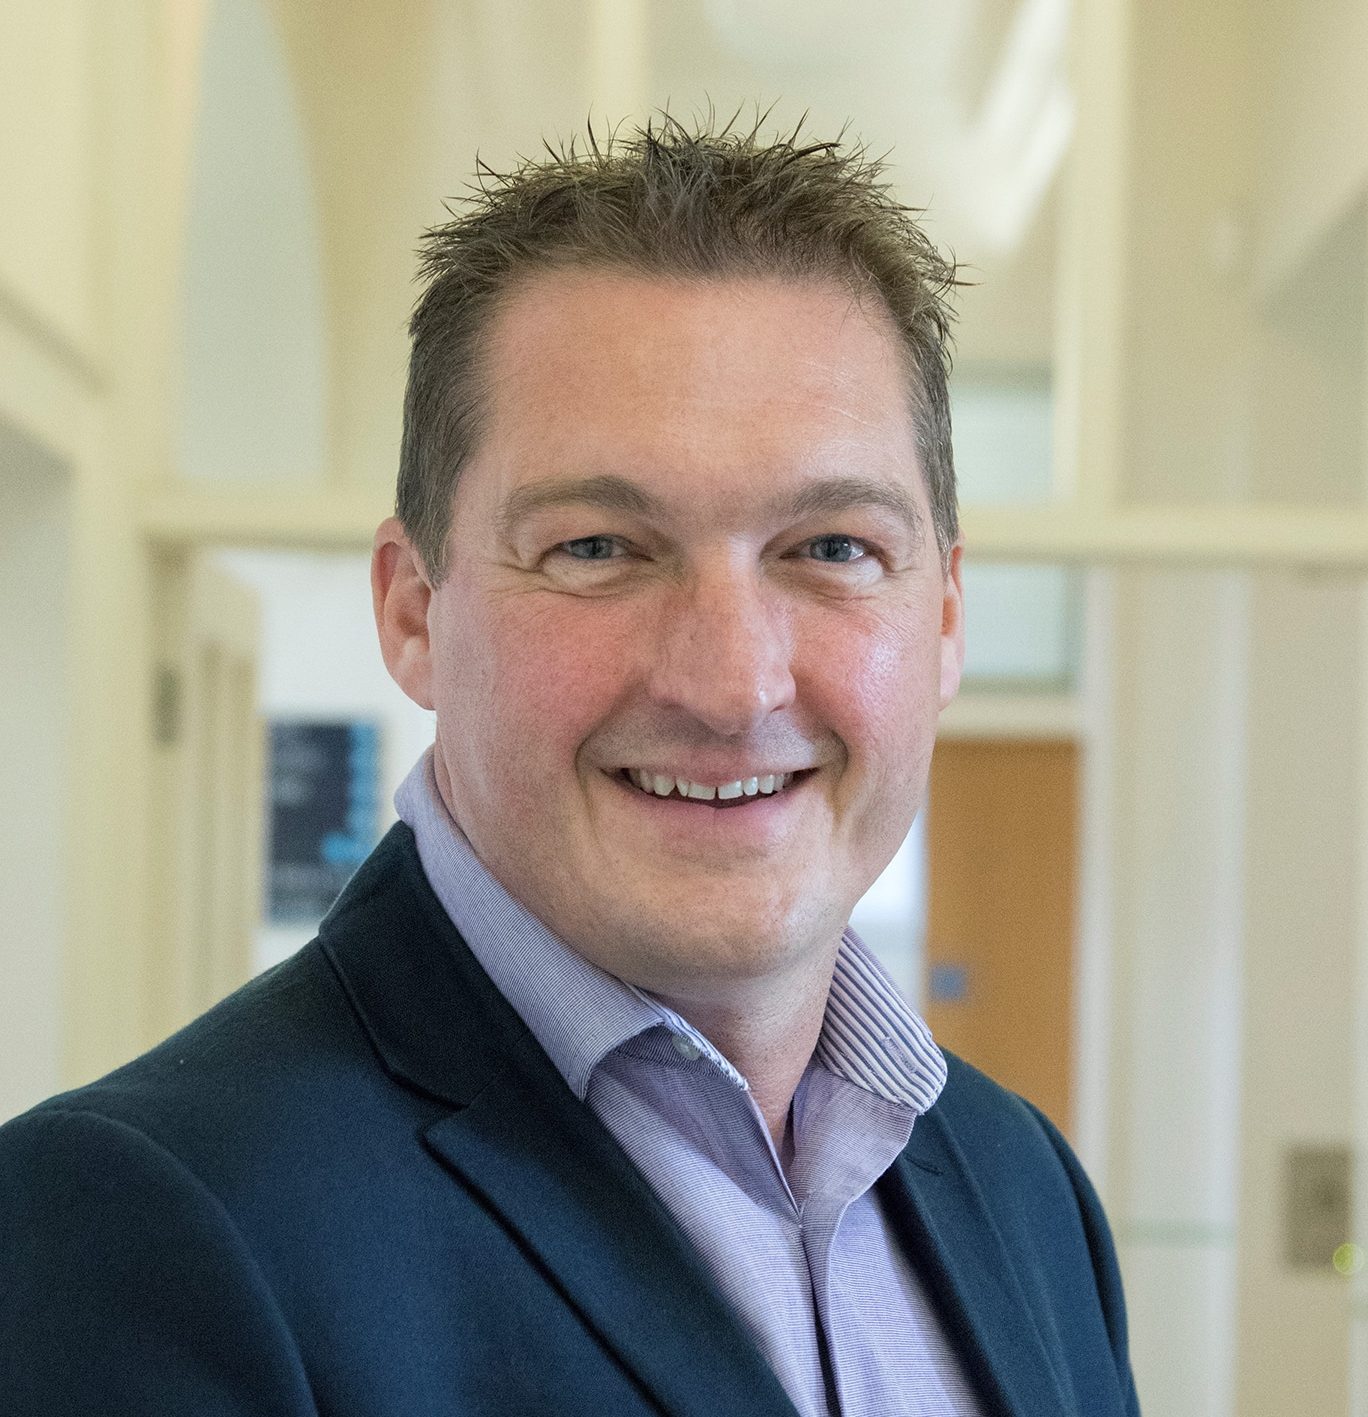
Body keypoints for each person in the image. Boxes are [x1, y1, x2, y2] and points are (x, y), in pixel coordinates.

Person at [0, 116, 1138, 1417]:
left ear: (942, 620)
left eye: (832, 549)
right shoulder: (137, 1232)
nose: (732, 684)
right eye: (598, 548)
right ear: (414, 612)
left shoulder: (1027, 1192)